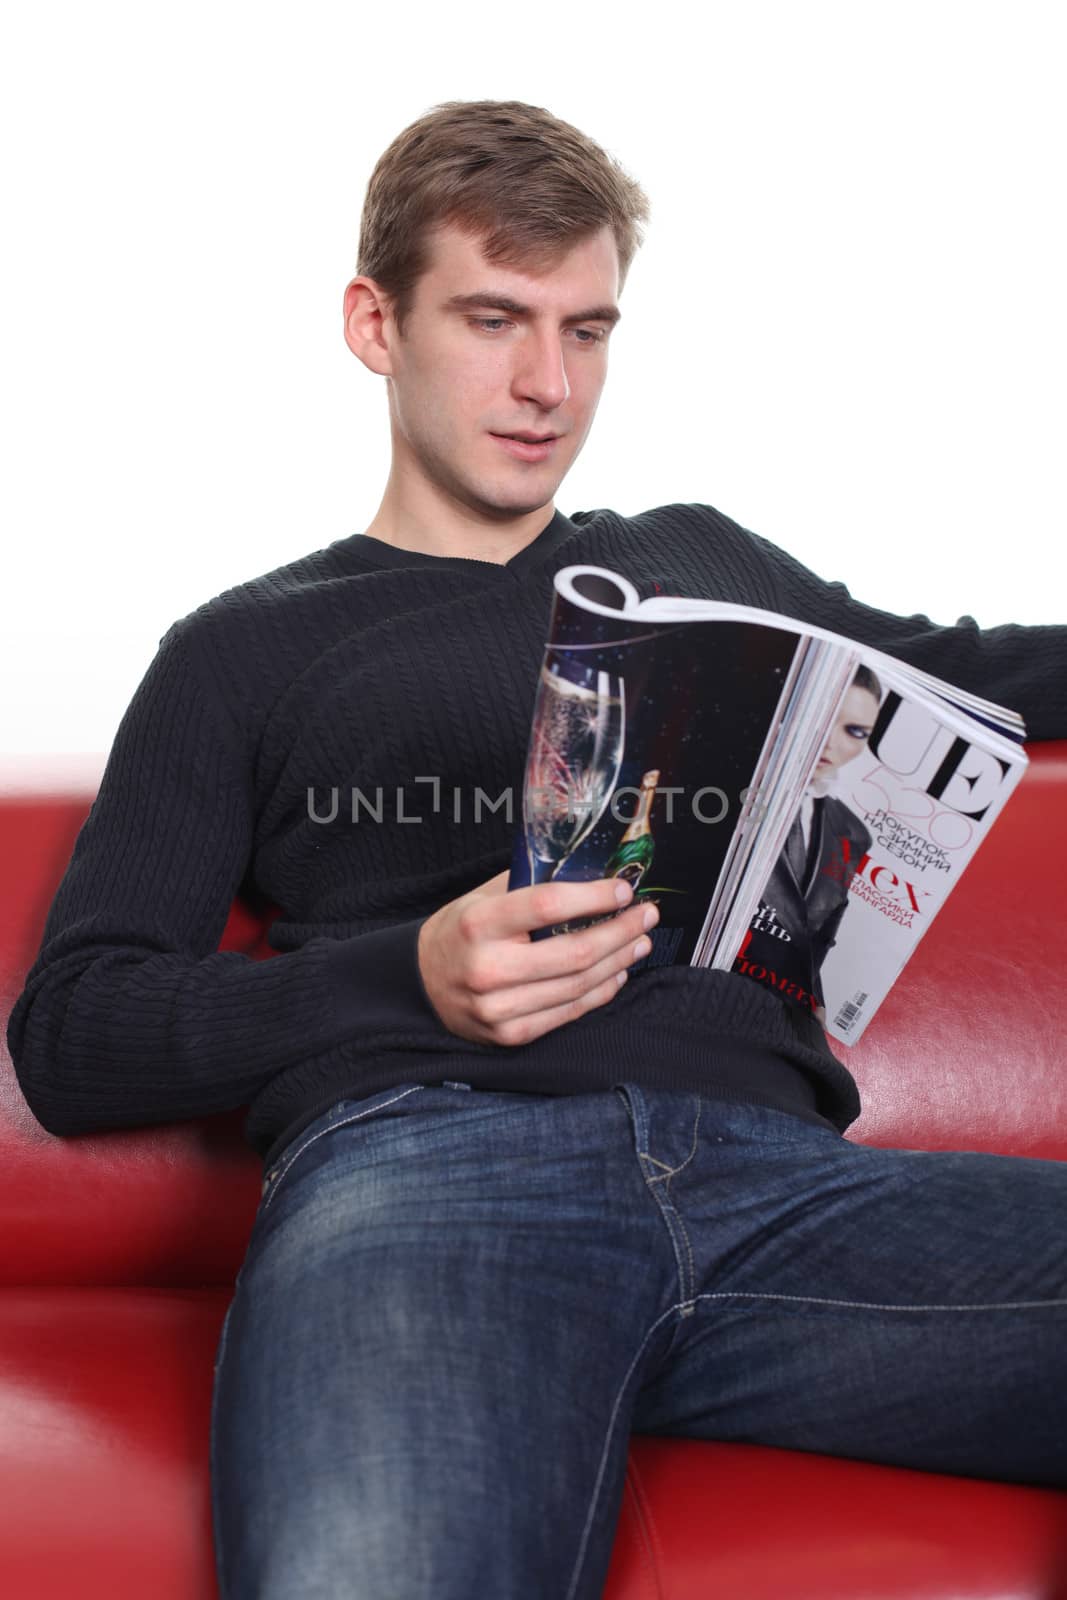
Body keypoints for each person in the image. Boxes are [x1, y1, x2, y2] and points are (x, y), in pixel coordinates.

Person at [8, 100, 1067, 1599]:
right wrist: (408, 978)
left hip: (789, 1192)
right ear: (375, 323)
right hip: (433, 1172)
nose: (544, 384)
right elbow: (73, 1031)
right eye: (493, 319)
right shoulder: (242, 649)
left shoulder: (699, 560)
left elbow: (981, 679)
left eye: (586, 329)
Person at [744, 666, 882, 1019]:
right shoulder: (718, 792)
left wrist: (813, 998)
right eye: (823, 717)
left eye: (854, 731)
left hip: (779, 1014)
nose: (830, 744)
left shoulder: (852, 832)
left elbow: (816, 934)